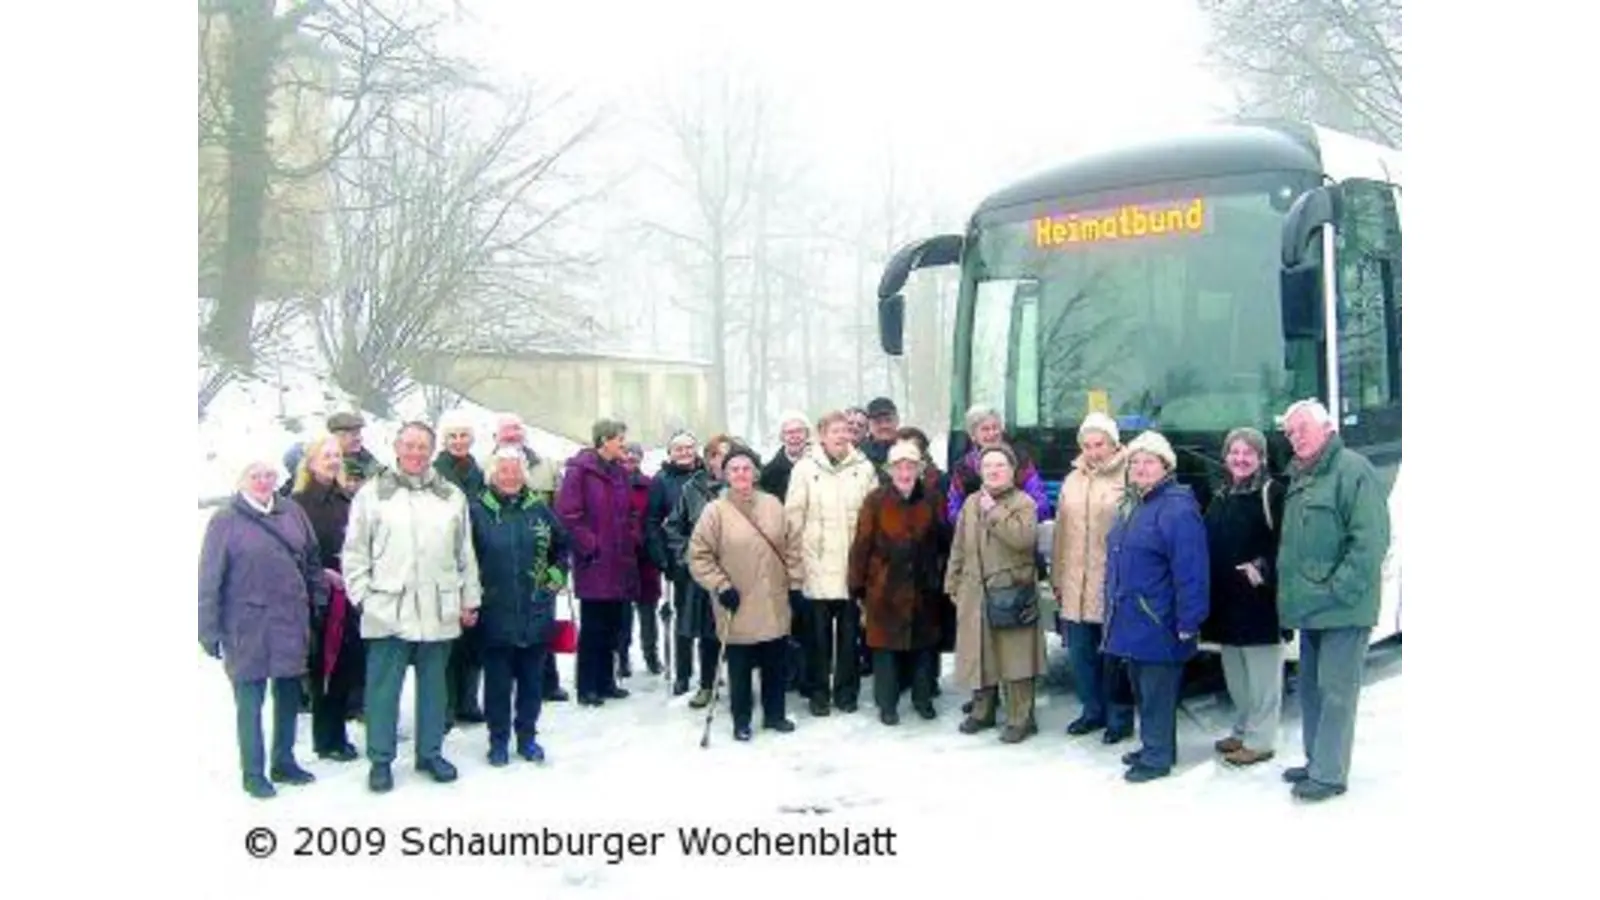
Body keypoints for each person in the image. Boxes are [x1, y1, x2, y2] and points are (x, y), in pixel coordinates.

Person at [343, 421, 483, 793]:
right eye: (409, 446)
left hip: (439, 606)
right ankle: (380, 759)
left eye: (423, 447)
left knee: (435, 688)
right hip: (388, 606)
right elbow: (355, 553)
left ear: (431, 450)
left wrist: (470, 597)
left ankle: (430, 752)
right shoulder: (373, 494)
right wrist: (364, 597)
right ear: (396, 448)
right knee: (383, 690)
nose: (416, 454)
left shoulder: (450, 495)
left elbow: (464, 552)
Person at [1277, 399, 1390, 802]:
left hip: (1342, 608)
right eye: (1290, 432)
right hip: (1312, 609)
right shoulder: (1302, 475)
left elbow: (1370, 542)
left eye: (1303, 427)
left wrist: (1336, 591)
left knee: (1336, 692)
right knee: (1311, 690)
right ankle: (1317, 762)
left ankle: (1329, 774)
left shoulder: (1353, 470)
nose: (1296, 437)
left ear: (1327, 428)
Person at [199, 459, 327, 798]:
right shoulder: (225, 520)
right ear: (241, 480)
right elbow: (209, 579)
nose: (263, 481)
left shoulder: (292, 512)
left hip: (289, 619)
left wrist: (318, 600)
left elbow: (312, 560)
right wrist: (207, 629)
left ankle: (283, 761)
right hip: (245, 625)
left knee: (287, 695)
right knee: (249, 701)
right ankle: (253, 771)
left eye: (268, 475)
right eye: (254, 475)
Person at [1103, 431, 1210, 783]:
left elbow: (1191, 570)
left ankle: (1157, 757)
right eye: (1134, 461)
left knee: (1157, 692)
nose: (1140, 467)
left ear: (1166, 466)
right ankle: (1154, 744)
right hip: (1133, 617)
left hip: (1159, 619)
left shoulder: (1177, 508)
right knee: (1142, 689)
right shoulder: (1136, 503)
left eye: (1149, 461)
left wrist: (1189, 620)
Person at [688, 445, 805, 741]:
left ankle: (775, 715)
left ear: (755, 473)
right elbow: (699, 555)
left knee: (775, 663)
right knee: (739, 667)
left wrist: (795, 584)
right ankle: (741, 719)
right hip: (736, 602)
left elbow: (791, 547)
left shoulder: (773, 505)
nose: (741, 474)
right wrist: (720, 585)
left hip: (773, 598)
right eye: (734, 469)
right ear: (725, 475)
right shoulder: (715, 511)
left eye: (746, 468)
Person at [469, 447, 568, 766]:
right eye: (503, 470)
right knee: (497, 683)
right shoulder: (477, 510)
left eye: (515, 470)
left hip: (535, 608)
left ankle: (527, 737)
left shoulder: (538, 508)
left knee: (531, 681)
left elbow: (561, 547)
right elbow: (465, 558)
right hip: (494, 609)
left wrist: (555, 576)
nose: (509, 476)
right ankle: (498, 740)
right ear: (492, 474)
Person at [945, 445, 1045, 742]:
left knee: (1016, 658)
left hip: (1011, 590)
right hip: (974, 590)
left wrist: (994, 511)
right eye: (987, 466)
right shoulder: (971, 503)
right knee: (979, 652)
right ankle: (982, 711)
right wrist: (953, 582)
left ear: (1012, 470)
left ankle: (1021, 717)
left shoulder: (1023, 502)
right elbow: (959, 547)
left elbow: (1023, 540)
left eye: (1000, 465)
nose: (993, 471)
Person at [1202, 426, 1289, 767]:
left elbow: (1287, 545)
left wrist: (1262, 570)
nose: (1240, 459)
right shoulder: (1222, 494)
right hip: (1227, 604)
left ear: (1261, 458)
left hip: (1260, 604)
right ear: (1225, 458)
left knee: (1263, 678)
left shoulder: (1273, 493)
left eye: (1248, 453)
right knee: (1238, 678)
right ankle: (1242, 729)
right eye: (1234, 453)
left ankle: (1261, 740)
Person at [785, 410, 879, 716]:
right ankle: (818, 693)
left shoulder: (863, 468)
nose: (841, 436)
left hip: (852, 568)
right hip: (816, 566)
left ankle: (846, 692)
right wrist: (794, 564)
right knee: (817, 638)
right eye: (834, 431)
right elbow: (793, 519)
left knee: (850, 638)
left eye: (846, 431)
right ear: (821, 436)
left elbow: (873, 517)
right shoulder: (804, 468)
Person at [848, 440, 949, 724]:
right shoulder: (875, 500)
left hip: (923, 586)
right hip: (884, 588)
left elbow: (944, 540)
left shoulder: (932, 498)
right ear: (890, 470)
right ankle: (887, 705)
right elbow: (862, 545)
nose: (905, 472)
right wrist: (857, 585)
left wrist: (940, 576)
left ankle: (922, 699)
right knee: (885, 650)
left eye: (911, 466)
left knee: (924, 647)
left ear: (919, 469)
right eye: (899, 467)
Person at [1050, 412, 1136, 743]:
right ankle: (1092, 710)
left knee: (1115, 656)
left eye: (1099, 444)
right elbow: (1061, 532)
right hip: (1075, 583)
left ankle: (1119, 716)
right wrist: (1057, 576)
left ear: (1114, 444)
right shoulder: (1074, 479)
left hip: (1112, 582)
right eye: (1086, 445)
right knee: (1080, 654)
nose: (1093, 451)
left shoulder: (1129, 476)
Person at [555, 418, 640, 707]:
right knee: (592, 626)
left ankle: (607, 681)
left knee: (613, 625)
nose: (624, 445)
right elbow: (567, 514)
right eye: (619, 439)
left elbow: (628, 511)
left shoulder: (618, 472)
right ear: (604, 440)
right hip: (594, 563)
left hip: (619, 561)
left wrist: (630, 537)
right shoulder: (580, 472)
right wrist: (590, 545)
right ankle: (587, 686)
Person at [289, 434, 363, 761]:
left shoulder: (348, 499)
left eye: (336, 456)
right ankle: (324, 737)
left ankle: (339, 733)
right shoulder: (297, 502)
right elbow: (294, 552)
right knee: (322, 668)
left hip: (349, 593)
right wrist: (322, 576)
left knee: (345, 666)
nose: (333, 461)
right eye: (326, 455)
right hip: (317, 597)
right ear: (311, 461)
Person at [661, 435, 732, 707]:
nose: (723, 461)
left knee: (741, 629)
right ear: (709, 458)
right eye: (717, 455)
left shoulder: (743, 484)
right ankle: (706, 684)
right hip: (704, 572)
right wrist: (688, 557)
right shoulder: (693, 488)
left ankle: (741, 683)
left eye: (728, 455)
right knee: (708, 631)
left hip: (739, 569)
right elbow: (673, 527)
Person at [434, 409, 487, 726]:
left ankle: (469, 700)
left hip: (476, 555)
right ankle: (447, 704)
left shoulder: (477, 471)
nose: (458, 441)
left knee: (473, 636)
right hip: (447, 556)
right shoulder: (437, 471)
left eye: (463, 435)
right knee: (448, 640)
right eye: (452, 436)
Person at [945, 405, 1053, 522]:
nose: (992, 433)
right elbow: (954, 510)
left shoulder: (1020, 460)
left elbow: (1040, 504)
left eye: (995, 427)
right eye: (985, 429)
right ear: (973, 436)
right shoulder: (963, 468)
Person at [617, 441, 664, 677]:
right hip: (621, 556)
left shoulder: (649, 485)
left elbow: (655, 517)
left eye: (634, 457)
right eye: (625, 456)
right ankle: (622, 658)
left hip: (646, 556)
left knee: (648, 610)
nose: (629, 461)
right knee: (622, 612)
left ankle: (651, 655)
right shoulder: (612, 484)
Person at [758, 411, 811, 501]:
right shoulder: (770, 473)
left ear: (807, 434)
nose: (795, 436)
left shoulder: (823, 464)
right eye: (789, 432)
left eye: (799, 431)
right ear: (782, 437)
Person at [328, 411, 385, 480]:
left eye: (359, 433)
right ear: (338, 437)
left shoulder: (362, 454)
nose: (359, 438)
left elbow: (381, 472)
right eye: (354, 434)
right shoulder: (331, 463)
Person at [859, 397, 900, 467]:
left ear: (897, 421)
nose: (884, 426)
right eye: (878, 422)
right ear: (868, 424)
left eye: (888, 420)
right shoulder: (860, 455)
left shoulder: (909, 447)